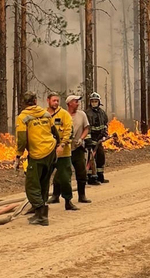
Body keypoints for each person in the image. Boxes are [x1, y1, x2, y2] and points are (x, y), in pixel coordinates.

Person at [15, 91, 59, 225]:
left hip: (37, 154)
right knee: (44, 182)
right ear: (35, 101)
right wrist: (56, 146)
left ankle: (41, 215)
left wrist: (18, 155)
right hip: (51, 151)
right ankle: (39, 210)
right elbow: (55, 132)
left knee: (32, 185)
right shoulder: (45, 113)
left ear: (24, 103)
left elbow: (22, 139)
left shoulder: (23, 117)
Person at [46, 92, 79, 211]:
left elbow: (69, 131)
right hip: (48, 153)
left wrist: (62, 144)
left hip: (63, 153)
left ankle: (68, 201)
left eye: (57, 101)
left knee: (65, 178)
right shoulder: (43, 115)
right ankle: (41, 203)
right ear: (48, 101)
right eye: (53, 100)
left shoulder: (64, 115)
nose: (56, 103)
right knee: (44, 178)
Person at [65, 94, 92, 203]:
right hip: (65, 149)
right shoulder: (63, 115)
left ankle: (82, 195)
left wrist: (81, 138)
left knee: (81, 172)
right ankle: (56, 196)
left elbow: (86, 128)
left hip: (78, 148)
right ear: (70, 103)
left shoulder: (82, 115)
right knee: (62, 173)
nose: (78, 103)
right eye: (76, 101)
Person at [85, 92, 109, 185]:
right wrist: (89, 140)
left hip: (99, 139)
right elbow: (86, 127)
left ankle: (100, 175)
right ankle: (91, 177)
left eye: (96, 101)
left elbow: (105, 124)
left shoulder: (102, 113)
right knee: (92, 158)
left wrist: (104, 133)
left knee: (101, 157)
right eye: (92, 101)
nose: (94, 103)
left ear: (99, 102)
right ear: (90, 102)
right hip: (91, 140)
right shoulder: (87, 113)